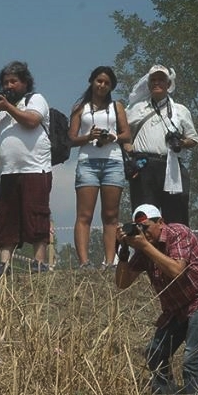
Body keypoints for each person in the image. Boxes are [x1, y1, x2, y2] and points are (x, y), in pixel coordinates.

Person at [115, 204, 198, 395]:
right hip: (176, 308)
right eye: (138, 228)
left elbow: (176, 270)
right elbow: (122, 283)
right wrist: (124, 251)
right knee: (155, 354)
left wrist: (145, 246)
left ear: (160, 222)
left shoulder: (178, 233)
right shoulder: (145, 248)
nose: (143, 232)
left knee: (192, 360)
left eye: (146, 227)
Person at [0, 61, 52, 279]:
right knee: (7, 217)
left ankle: (39, 261)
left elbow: (33, 121)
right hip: (8, 171)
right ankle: (4, 264)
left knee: (36, 214)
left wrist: (8, 107)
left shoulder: (35, 99)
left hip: (35, 167)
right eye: (6, 82)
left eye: (14, 81)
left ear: (25, 82)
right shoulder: (1, 107)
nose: (9, 85)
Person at [68, 66, 131, 269]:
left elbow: (126, 135)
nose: (102, 85)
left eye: (106, 82)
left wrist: (112, 137)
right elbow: (71, 139)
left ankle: (110, 262)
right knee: (84, 215)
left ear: (111, 86)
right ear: (92, 81)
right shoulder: (80, 107)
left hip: (113, 161)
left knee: (111, 215)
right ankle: (84, 262)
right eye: (99, 81)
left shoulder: (117, 106)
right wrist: (89, 137)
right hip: (88, 162)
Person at [123, 65, 198, 225]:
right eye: (153, 80)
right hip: (143, 165)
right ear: (148, 84)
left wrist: (180, 142)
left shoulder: (180, 110)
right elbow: (122, 131)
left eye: (161, 80)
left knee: (175, 215)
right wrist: (128, 147)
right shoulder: (135, 108)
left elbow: (193, 139)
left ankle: (175, 249)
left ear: (168, 84)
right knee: (144, 216)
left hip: (171, 166)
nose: (157, 83)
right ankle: (145, 250)